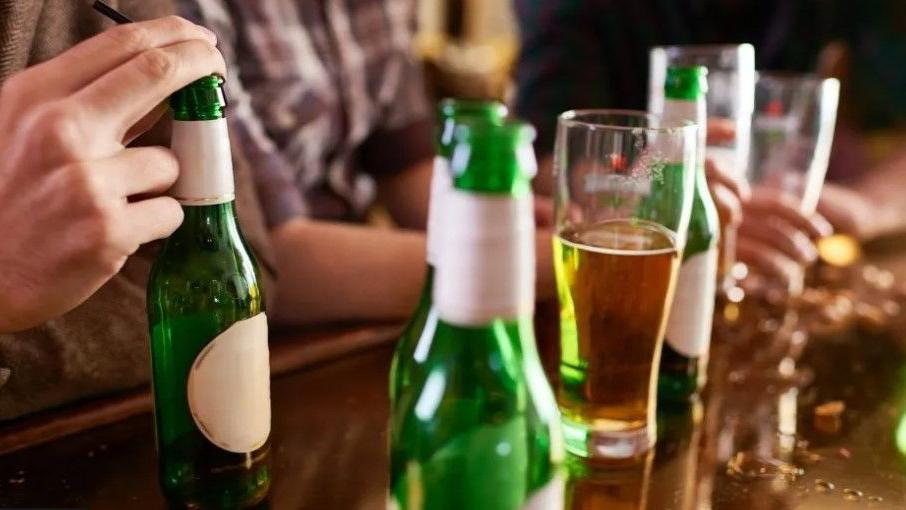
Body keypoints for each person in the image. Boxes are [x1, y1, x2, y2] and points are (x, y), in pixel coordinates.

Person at [176, 0, 557, 326]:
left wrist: (495, 220)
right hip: (238, 334)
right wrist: (540, 258)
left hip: (358, 313)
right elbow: (262, 261)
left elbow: (402, 165)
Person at [513, 0, 906, 285]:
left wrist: (861, 206)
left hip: (772, 272)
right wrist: (656, 200)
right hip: (633, 279)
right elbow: (556, 155)